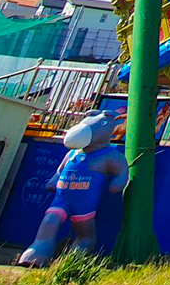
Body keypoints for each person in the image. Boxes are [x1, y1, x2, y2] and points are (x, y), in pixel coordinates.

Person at [18, 111, 128, 266]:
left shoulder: (110, 155)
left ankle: (76, 257)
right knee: (49, 222)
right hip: (61, 201)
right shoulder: (72, 153)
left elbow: (122, 171)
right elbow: (60, 170)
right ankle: (37, 253)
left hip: (84, 206)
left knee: (85, 233)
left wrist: (118, 182)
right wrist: (54, 180)